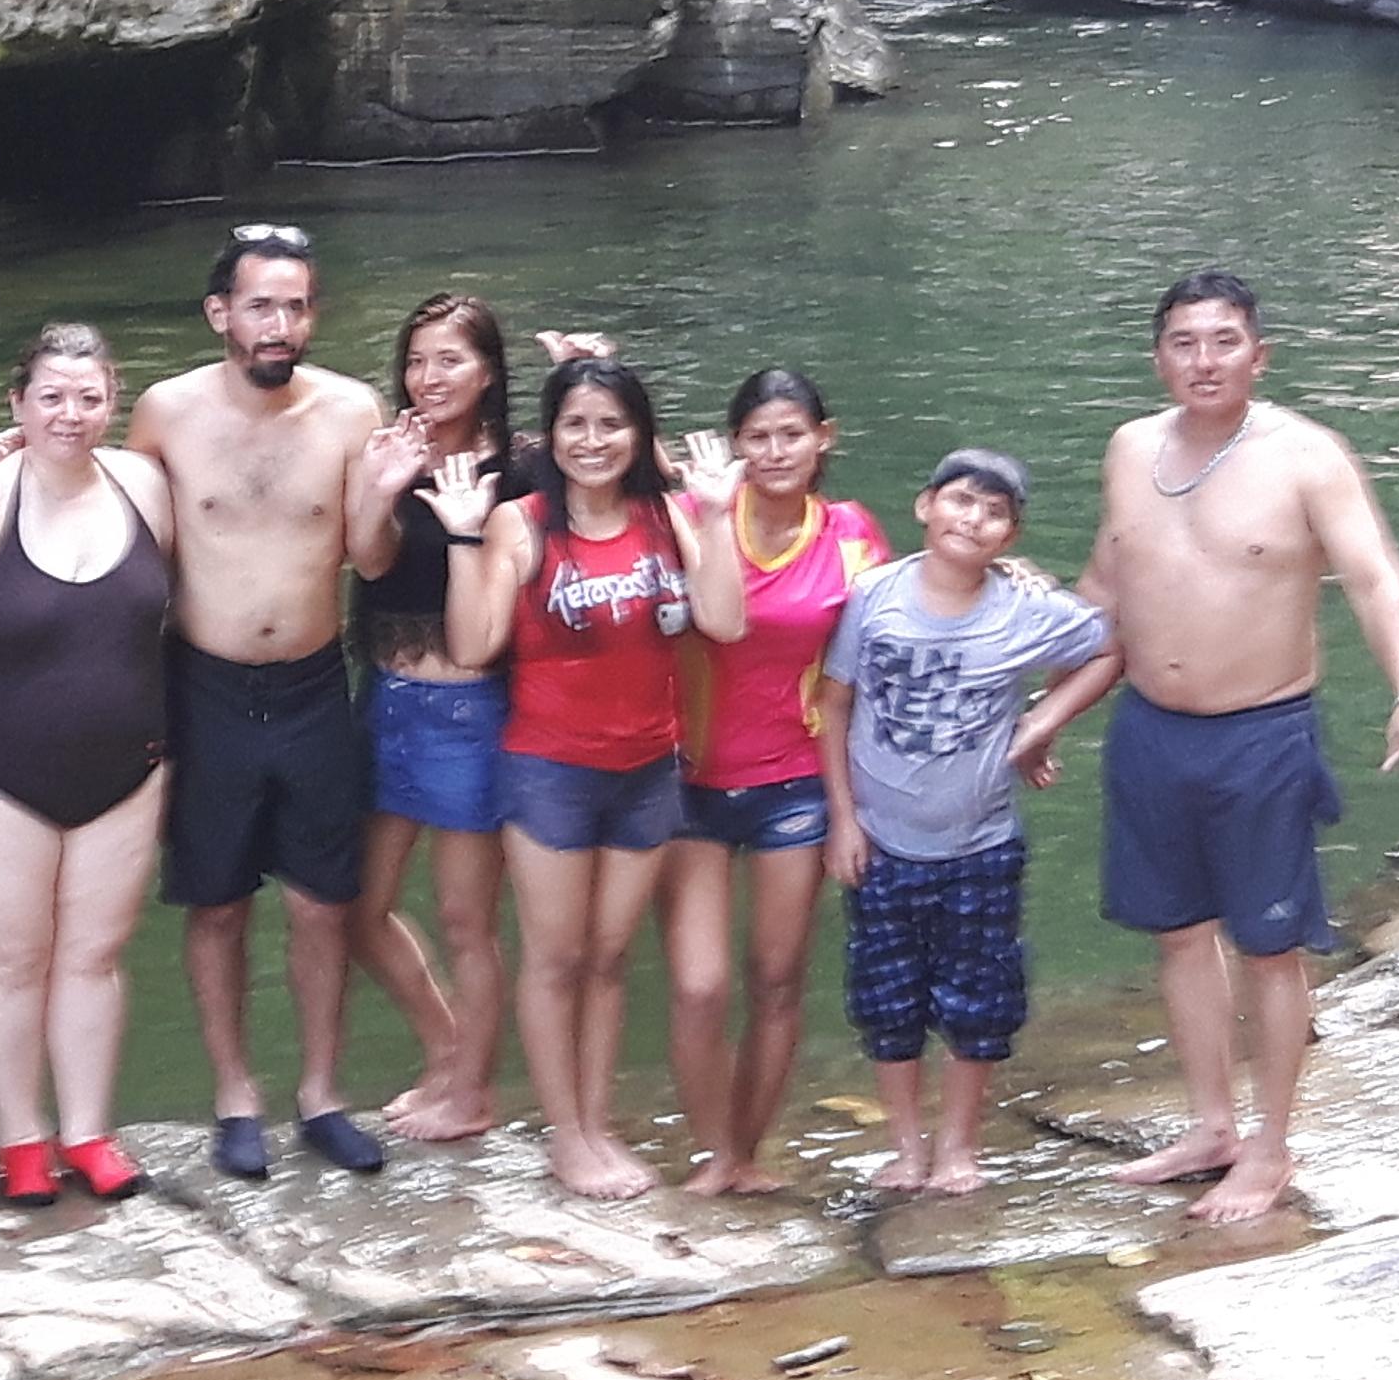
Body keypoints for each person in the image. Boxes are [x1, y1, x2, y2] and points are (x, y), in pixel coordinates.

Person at [1078, 268, 1399, 1229]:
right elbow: (1101, 588)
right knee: (1175, 932)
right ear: (1158, 356)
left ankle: (1272, 1147)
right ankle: (1211, 1125)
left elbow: (1377, 579)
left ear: (1259, 353)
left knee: (1270, 947)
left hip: (1261, 733)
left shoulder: (1308, 456)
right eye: (1183, 342)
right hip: (1152, 727)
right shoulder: (1131, 449)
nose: (1203, 361)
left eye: (1223, 341)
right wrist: (1018, 694)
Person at [131, 222, 457, 1180]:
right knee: (218, 902)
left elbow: (370, 558)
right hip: (206, 683)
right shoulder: (166, 412)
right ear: (220, 313)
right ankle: (235, 1095)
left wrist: (387, 488)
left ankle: (321, 1092)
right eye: (262, 305)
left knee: (322, 903)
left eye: (297, 306)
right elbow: (124, 540)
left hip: (316, 682)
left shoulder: (352, 411)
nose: (281, 324)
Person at [422, 354, 709, 1201]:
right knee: (555, 957)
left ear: (639, 435)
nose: (594, 441)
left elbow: (723, 615)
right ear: (550, 435)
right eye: (576, 424)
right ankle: (567, 1137)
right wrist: (464, 537)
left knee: (609, 958)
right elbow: (473, 646)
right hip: (550, 768)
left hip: (648, 766)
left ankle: (598, 1119)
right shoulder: (521, 522)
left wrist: (718, 515)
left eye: (612, 424)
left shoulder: (668, 517)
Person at [0, 321, 178, 1206]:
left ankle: (90, 1131)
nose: (71, 414)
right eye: (51, 397)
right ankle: (21, 1139)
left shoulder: (144, 486)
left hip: (128, 762)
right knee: (12, 958)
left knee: (95, 955)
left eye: (89, 397)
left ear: (114, 399)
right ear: (17, 405)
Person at [818, 450, 1121, 1195]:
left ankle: (958, 1148)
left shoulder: (1024, 610)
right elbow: (833, 705)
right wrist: (842, 821)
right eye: (959, 501)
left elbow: (1109, 649)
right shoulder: (875, 597)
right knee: (886, 998)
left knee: (979, 1000)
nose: (971, 519)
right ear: (924, 506)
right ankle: (906, 1147)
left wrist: (1042, 724)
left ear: (1010, 537)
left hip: (980, 841)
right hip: (882, 838)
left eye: (992, 513)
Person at [660, 366, 888, 1196]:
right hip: (687, 779)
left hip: (796, 779)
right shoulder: (692, 516)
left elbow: (891, 643)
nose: (775, 451)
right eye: (757, 437)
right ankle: (715, 1146)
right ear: (733, 446)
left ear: (824, 438)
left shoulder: (854, 534)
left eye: (791, 434)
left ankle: (741, 1156)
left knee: (778, 976)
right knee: (697, 984)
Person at [344, 293, 531, 1142]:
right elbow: (370, 560)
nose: (428, 378)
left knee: (466, 920)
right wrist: (381, 488)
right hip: (386, 696)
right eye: (416, 361)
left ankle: (470, 1089)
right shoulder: (389, 452)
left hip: (471, 708)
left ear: (487, 369)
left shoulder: (520, 469)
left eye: (448, 360)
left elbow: (638, 483)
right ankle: (451, 1052)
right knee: (358, 907)